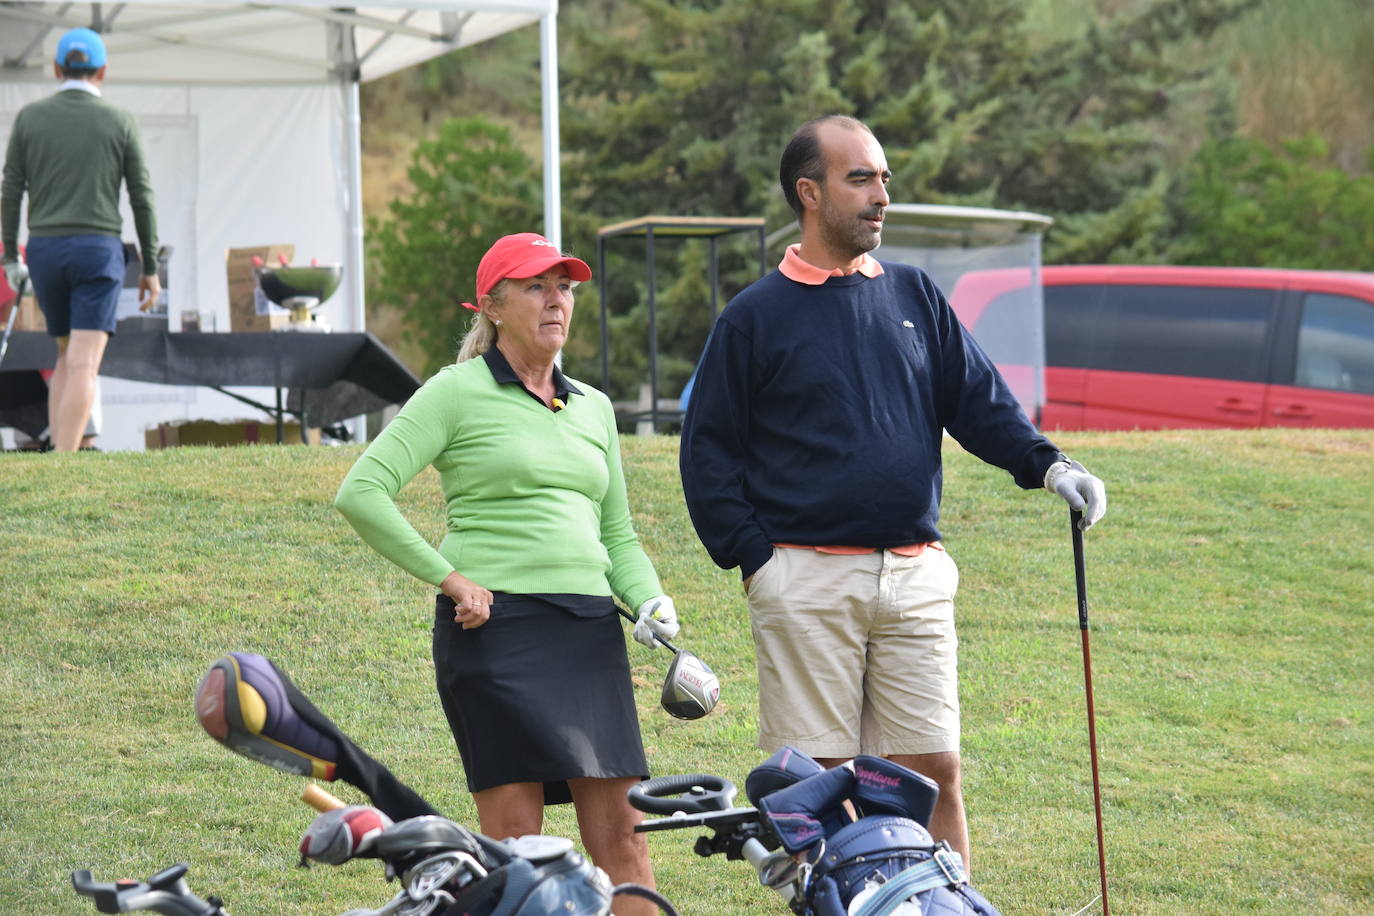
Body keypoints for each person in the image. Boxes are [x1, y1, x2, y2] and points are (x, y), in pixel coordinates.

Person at [678, 115, 1107, 875]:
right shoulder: (753, 317)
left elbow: (978, 402)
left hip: (914, 576)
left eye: (884, 178)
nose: (882, 196)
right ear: (809, 193)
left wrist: (1050, 466)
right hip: (804, 580)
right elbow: (707, 450)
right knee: (820, 791)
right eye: (862, 179)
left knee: (933, 775)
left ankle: (945, 902)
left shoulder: (914, 293)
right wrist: (755, 561)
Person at [334, 233, 679, 915]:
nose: (557, 301)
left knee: (627, 848)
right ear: (492, 305)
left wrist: (651, 599)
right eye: (536, 287)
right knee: (518, 854)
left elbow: (617, 535)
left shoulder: (595, 408)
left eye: (566, 288)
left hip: (588, 638)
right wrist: (450, 578)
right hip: (496, 636)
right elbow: (362, 492)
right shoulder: (454, 393)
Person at [1, 27, 159, 453]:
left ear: (56, 69)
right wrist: (151, 267)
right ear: (102, 71)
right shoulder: (119, 121)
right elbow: (141, 197)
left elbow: (10, 190)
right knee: (84, 362)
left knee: (64, 358)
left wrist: (9, 258)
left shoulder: (30, 118)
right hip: (96, 252)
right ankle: (65, 461)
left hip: (45, 252)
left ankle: (60, 453)